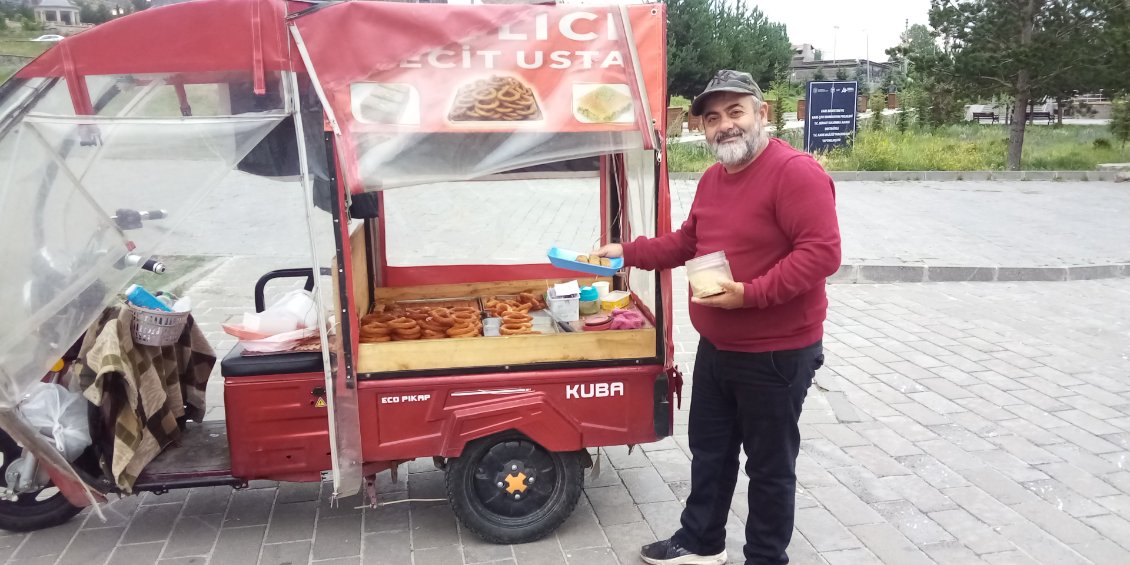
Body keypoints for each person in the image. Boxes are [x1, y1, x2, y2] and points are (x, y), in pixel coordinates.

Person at [593, 70, 841, 565]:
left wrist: (749, 295)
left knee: (769, 467)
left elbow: (822, 253)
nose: (724, 126)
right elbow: (689, 241)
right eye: (712, 118)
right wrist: (627, 252)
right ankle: (701, 542)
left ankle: (766, 558)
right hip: (718, 347)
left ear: (761, 114)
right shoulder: (713, 178)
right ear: (701, 127)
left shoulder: (796, 172)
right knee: (709, 451)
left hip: (776, 352)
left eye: (735, 112)